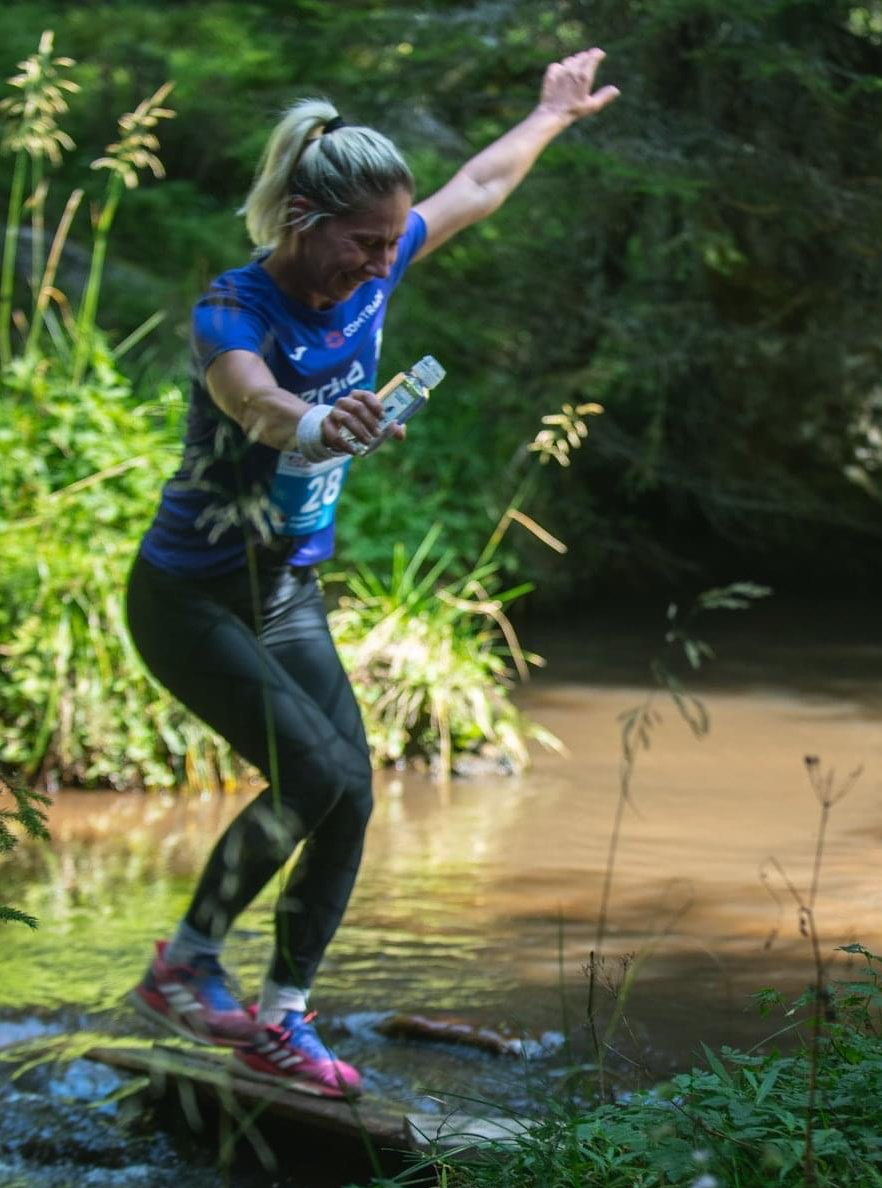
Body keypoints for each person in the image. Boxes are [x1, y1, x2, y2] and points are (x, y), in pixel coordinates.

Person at [125, 50, 619, 1098]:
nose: (382, 261)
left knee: (348, 794)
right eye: (364, 243)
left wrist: (549, 114)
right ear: (303, 218)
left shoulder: (377, 259)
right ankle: (186, 964)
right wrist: (318, 422)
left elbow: (477, 186)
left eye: (392, 243)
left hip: (286, 592)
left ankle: (279, 1018)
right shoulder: (234, 311)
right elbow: (255, 402)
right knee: (313, 778)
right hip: (190, 597)